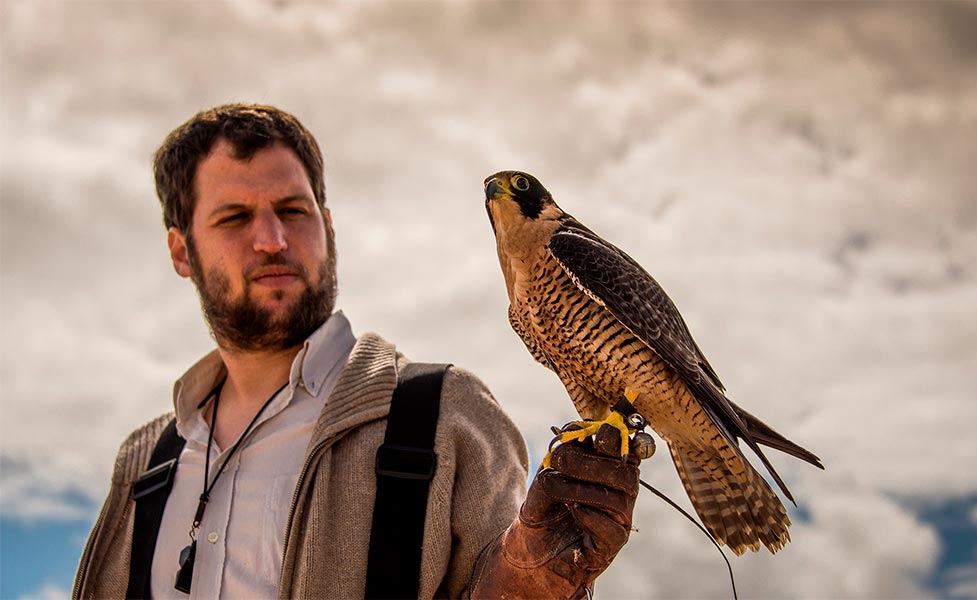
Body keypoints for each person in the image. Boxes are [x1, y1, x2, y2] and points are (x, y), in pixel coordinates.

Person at [73, 104, 642, 599]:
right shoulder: (144, 463)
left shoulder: (448, 417)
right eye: (234, 217)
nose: (272, 239)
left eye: (293, 211)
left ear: (328, 226)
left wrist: (530, 587)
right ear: (181, 251)